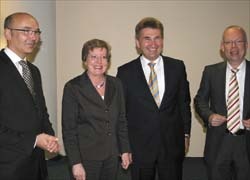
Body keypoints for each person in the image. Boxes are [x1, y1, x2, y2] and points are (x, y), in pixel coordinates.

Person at [116, 17, 191, 180]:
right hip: (140, 147)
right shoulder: (125, 73)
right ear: (137, 42)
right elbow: (122, 112)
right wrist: (124, 146)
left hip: (172, 144)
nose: (153, 43)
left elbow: (184, 103)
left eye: (157, 38)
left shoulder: (177, 67)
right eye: (147, 38)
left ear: (162, 41)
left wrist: (185, 134)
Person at [0, 12, 60, 180]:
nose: (33, 37)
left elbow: (41, 110)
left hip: (37, 164)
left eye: (36, 32)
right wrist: (33, 141)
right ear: (8, 33)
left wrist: (50, 137)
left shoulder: (33, 71)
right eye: (26, 31)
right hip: (8, 166)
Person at [62, 39, 131, 180]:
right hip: (86, 158)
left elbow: (122, 120)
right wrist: (75, 162)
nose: (99, 62)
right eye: (93, 57)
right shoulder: (73, 88)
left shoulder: (116, 84)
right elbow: (69, 130)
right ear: (85, 60)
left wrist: (125, 149)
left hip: (112, 155)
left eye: (103, 57)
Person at [194, 25, 250, 180]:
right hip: (219, 142)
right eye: (228, 42)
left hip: (246, 143)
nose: (233, 47)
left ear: (246, 45)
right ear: (222, 46)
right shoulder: (211, 72)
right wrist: (210, 116)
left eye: (238, 41)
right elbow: (200, 100)